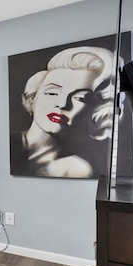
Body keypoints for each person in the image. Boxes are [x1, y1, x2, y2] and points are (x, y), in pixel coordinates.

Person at [10, 46, 118, 178]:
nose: (62, 104)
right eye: (52, 92)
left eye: (80, 98)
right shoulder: (7, 144)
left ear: (92, 110)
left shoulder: (75, 168)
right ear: (33, 99)